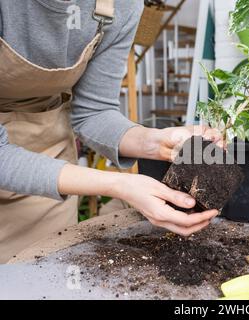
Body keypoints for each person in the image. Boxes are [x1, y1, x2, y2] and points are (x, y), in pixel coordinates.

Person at [0, 0, 221, 263]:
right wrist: (118, 184)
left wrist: (157, 142)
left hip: (48, 172)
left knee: (42, 275)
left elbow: (94, 111)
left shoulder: (121, 6)